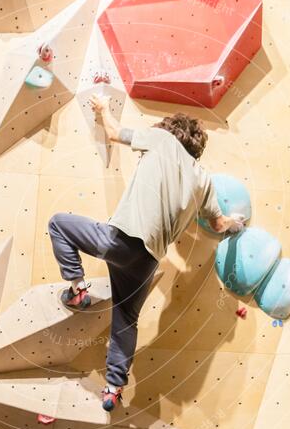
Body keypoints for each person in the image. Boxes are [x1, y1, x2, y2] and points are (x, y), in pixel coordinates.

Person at [47, 95, 246, 411]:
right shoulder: (205, 181)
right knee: (126, 318)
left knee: (58, 225)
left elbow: (114, 132)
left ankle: (77, 290)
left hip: (121, 238)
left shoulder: (161, 140)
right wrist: (236, 223)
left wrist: (101, 110)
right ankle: (113, 388)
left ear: (170, 129)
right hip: (147, 260)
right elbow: (219, 224)